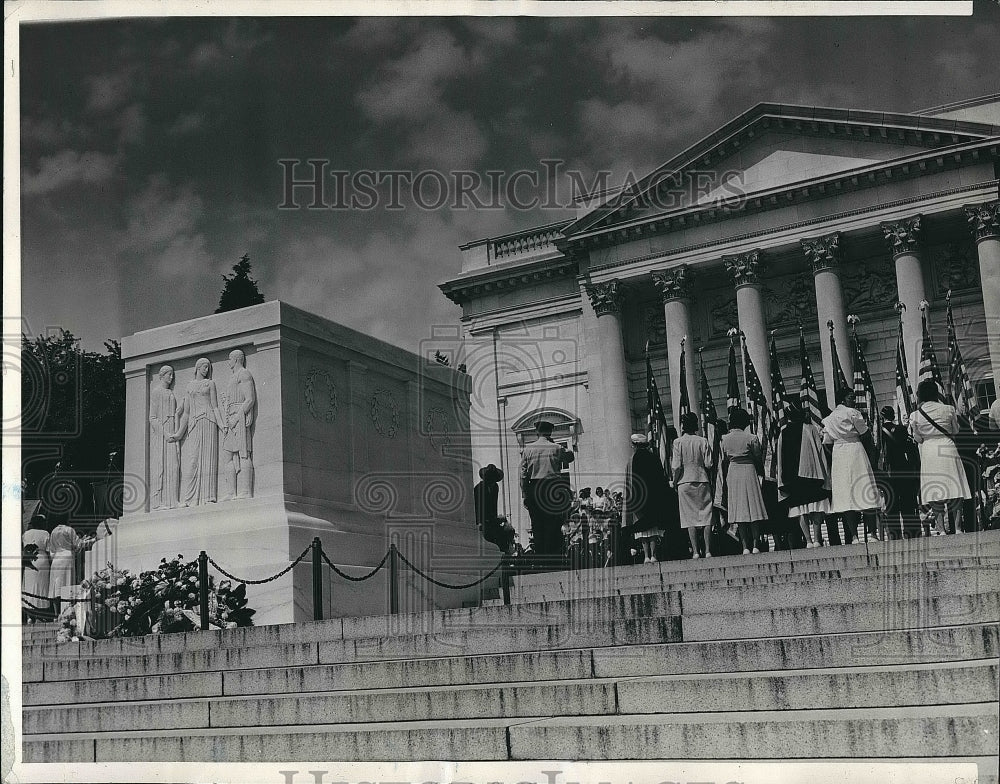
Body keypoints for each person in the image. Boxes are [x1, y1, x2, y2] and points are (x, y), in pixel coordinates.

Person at [909, 379, 972, 535]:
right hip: (947, 446)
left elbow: (917, 438)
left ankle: (941, 528)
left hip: (929, 450)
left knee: (934, 490)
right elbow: (955, 430)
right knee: (955, 487)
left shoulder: (916, 415)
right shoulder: (948, 409)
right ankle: (957, 527)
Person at [822, 388, 880, 544]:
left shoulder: (829, 419)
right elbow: (866, 433)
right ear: (843, 399)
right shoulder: (853, 413)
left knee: (846, 495)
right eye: (851, 398)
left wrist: (837, 448)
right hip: (855, 450)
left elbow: (827, 442)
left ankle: (854, 536)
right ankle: (872, 534)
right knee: (864, 490)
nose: (853, 400)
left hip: (839, 454)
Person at [172, 357, 226, 507]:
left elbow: (215, 406)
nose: (206, 369)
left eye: (208, 367)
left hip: (209, 422)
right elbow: (187, 412)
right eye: (204, 366)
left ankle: (208, 497)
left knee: (208, 459)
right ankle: (189, 499)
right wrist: (179, 433)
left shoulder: (210, 384)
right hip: (194, 424)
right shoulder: (190, 386)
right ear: (197, 367)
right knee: (193, 460)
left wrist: (222, 425)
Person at [778, 403, 831, 548]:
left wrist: (782, 477)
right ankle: (816, 540)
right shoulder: (810, 429)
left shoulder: (783, 432)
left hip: (793, 477)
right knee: (815, 507)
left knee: (800, 509)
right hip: (811, 474)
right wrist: (825, 472)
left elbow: (780, 457)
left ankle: (808, 540)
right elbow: (819, 451)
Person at [520, 420, 574, 556]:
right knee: (554, 523)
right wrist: (553, 442)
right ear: (550, 432)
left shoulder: (527, 449)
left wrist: (525, 495)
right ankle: (554, 555)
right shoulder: (556, 448)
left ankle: (541, 556)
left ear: (537, 432)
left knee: (537, 524)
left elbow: (523, 476)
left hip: (535, 487)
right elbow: (570, 457)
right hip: (552, 487)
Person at [720, 408, 768, 554]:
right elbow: (758, 456)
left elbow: (723, 458)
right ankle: (755, 545)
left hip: (733, 471)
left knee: (740, 511)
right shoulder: (751, 437)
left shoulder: (724, 439)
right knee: (753, 509)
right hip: (749, 470)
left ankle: (745, 546)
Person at [671, 412, 714, 558]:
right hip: (701, 478)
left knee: (689, 518)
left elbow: (676, 466)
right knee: (706, 516)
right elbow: (709, 463)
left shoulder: (678, 442)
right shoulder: (703, 441)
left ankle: (695, 551)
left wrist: (675, 481)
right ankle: (707, 550)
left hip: (684, 481)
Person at [626, 433, 670, 563]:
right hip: (654, 498)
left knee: (642, 529)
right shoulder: (654, 458)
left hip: (639, 498)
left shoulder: (632, 459)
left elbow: (629, 481)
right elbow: (661, 478)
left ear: (634, 445)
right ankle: (654, 555)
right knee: (653, 528)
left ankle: (646, 556)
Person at [879, 406, 921, 539]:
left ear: (882, 416)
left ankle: (894, 534)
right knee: (907, 503)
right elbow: (910, 449)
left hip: (887, 472)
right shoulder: (901, 430)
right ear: (893, 415)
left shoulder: (879, 433)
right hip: (903, 470)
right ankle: (911, 532)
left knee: (891, 504)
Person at [222, 349, 257, 501]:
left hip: (239, 417)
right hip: (231, 418)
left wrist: (236, 418)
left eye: (230, 359)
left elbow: (250, 399)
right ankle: (231, 492)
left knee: (244, 453)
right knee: (227, 456)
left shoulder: (244, 374)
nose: (228, 362)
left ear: (236, 359)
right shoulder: (233, 377)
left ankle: (246, 491)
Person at [149, 365, 181, 510]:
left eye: (173, 374)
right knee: (160, 466)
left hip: (171, 432)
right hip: (162, 435)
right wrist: (164, 433)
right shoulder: (156, 392)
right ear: (162, 375)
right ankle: (158, 502)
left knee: (173, 466)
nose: (172, 377)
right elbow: (152, 418)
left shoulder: (170, 393)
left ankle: (172, 500)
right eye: (169, 374)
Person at [47, 521, 95, 604]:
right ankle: (67, 608)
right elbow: (79, 544)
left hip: (56, 559)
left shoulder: (54, 531)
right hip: (67, 558)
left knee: (56, 587)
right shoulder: (69, 529)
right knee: (67, 584)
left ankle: (56, 613)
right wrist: (92, 540)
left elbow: (52, 551)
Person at [474, 463, 515, 554]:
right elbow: (478, 508)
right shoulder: (479, 489)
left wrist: (497, 519)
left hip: (492, 519)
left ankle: (507, 552)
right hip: (483, 520)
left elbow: (493, 505)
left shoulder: (495, 487)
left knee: (509, 530)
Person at [22, 513, 51, 612]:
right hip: (42, 560)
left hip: (29, 560)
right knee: (42, 585)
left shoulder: (26, 534)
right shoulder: (46, 533)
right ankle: (41, 610)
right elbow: (48, 549)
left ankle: (29, 611)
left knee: (29, 585)